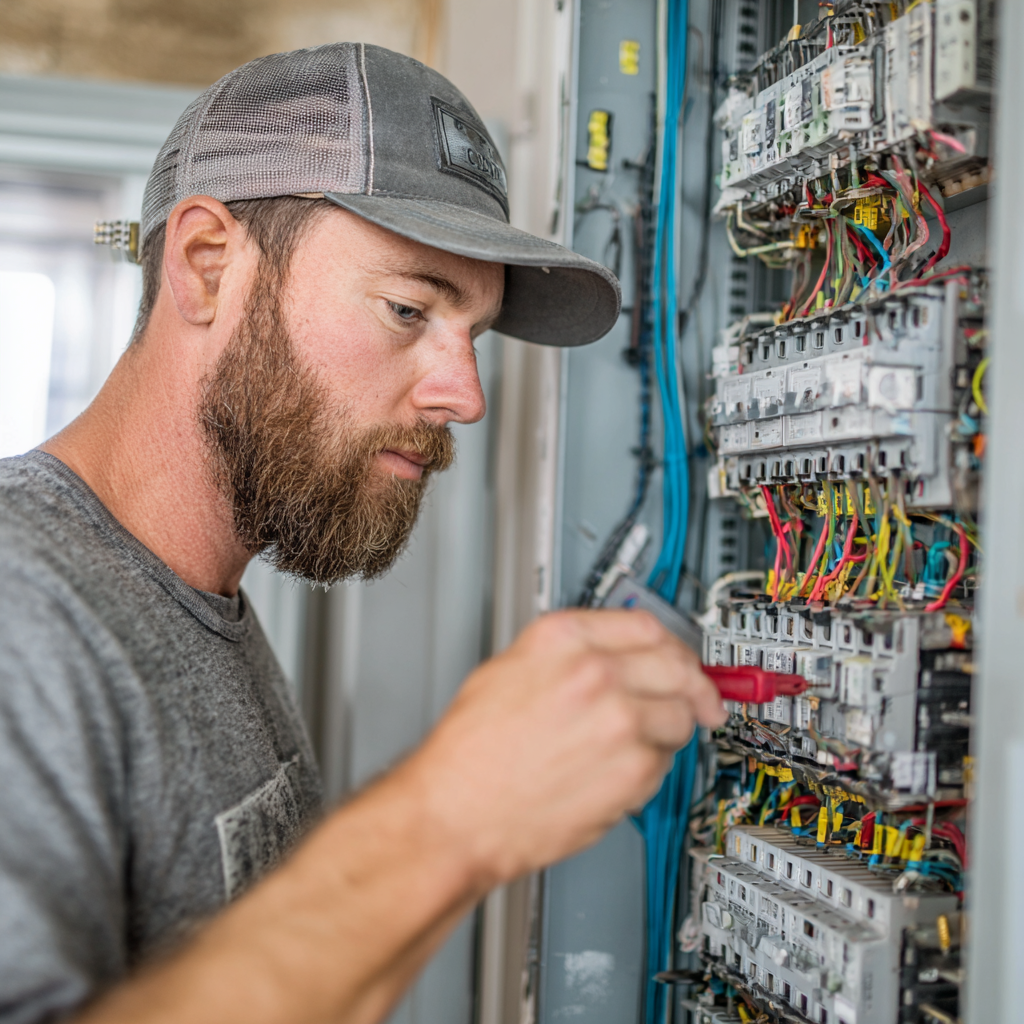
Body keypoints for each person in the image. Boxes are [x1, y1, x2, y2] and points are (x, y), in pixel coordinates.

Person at [0, 43, 725, 1024]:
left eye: (468, 333)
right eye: (406, 308)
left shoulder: (193, 605)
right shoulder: (21, 609)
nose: (463, 396)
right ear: (207, 266)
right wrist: (449, 817)